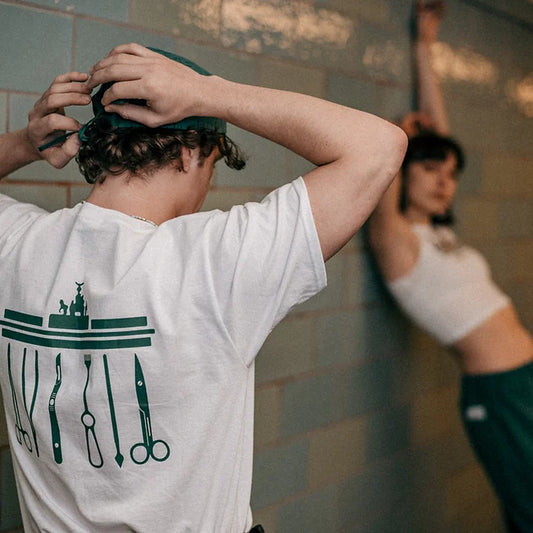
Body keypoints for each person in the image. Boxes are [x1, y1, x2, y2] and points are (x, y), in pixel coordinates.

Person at [0, 44, 406, 532]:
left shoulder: (16, 247)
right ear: (193, 152)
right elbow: (380, 145)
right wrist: (208, 93)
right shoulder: (213, 262)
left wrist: (26, 142)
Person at [368, 2, 533, 532]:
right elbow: (381, 163)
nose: (445, 181)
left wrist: (424, 46)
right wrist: (397, 133)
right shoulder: (398, 242)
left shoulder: (439, 234)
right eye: (430, 168)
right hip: (500, 397)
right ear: (403, 169)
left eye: (453, 173)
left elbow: (439, 134)